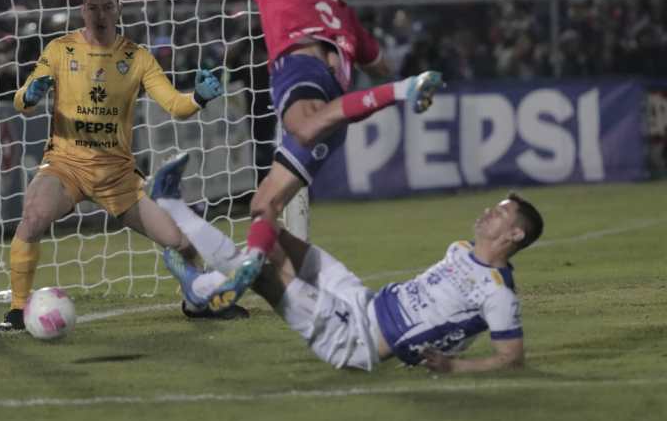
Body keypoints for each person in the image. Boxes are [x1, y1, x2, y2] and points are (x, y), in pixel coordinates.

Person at [199, 0, 444, 303]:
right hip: (335, 103)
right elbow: (378, 62)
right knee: (264, 205)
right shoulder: (341, 8)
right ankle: (258, 265)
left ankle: (406, 91)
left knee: (302, 125)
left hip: (301, 73)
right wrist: (341, 46)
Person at [0, 0, 242, 330]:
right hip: (66, 166)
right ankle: (18, 311)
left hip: (117, 176)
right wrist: (31, 94)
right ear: (82, 11)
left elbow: (175, 105)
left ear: (118, 11)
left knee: (181, 242)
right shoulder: (59, 50)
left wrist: (199, 98)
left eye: (106, 7)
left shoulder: (137, 57)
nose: (99, 14)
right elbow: (22, 101)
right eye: (92, 7)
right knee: (33, 217)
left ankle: (197, 301)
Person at [155, 155, 544, 372]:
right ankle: (195, 269)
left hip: (356, 340)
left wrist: (455, 367)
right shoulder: (460, 248)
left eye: (500, 214)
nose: (488, 212)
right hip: (363, 300)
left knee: (264, 269)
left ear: (515, 236)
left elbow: (512, 358)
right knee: (269, 230)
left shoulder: (498, 294)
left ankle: (177, 220)